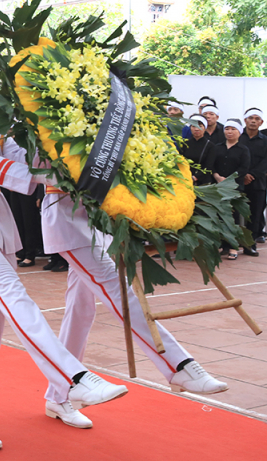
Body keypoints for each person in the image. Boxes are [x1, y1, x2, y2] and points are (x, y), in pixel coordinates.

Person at [0, 28, 127, 450]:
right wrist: (30, 180)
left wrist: (54, 150)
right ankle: (73, 377)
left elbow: (16, 154)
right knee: (16, 297)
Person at [40, 183, 228, 429]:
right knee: (118, 291)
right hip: (69, 219)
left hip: (99, 218)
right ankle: (179, 365)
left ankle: (58, 395)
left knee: (81, 310)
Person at [213, 119, 250, 260]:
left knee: (233, 218)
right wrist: (217, 176)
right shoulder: (217, 147)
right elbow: (212, 164)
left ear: (239, 132)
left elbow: (243, 169)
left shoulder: (243, 149)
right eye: (227, 128)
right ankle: (221, 245)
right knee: (218, 216)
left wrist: (228, 180)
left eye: (233, 129)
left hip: (234, 187)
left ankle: (233, 246)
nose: (229, 131)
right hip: (217, 186)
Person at [240, 108, 267, 255]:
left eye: (257, 118)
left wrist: (252, 175)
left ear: (261, 122)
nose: (253, 121)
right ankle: (231, 244)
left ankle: (250, 244)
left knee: (255, 215)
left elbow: (265, 161)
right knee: (235, 214)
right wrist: (243, 175)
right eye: (251, 118)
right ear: (245, 120)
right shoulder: (238, 137)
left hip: (257, 182)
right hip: (238, 181)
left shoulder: (265, 140)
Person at [179, 114, 217, 185]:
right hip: (185, 178)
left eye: (200, 126)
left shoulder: (210, 146)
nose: (196, 129)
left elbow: (209, 166)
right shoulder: (184, 143)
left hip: (203, 182)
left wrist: (195, 177)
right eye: (193, 126)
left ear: (205, 128)